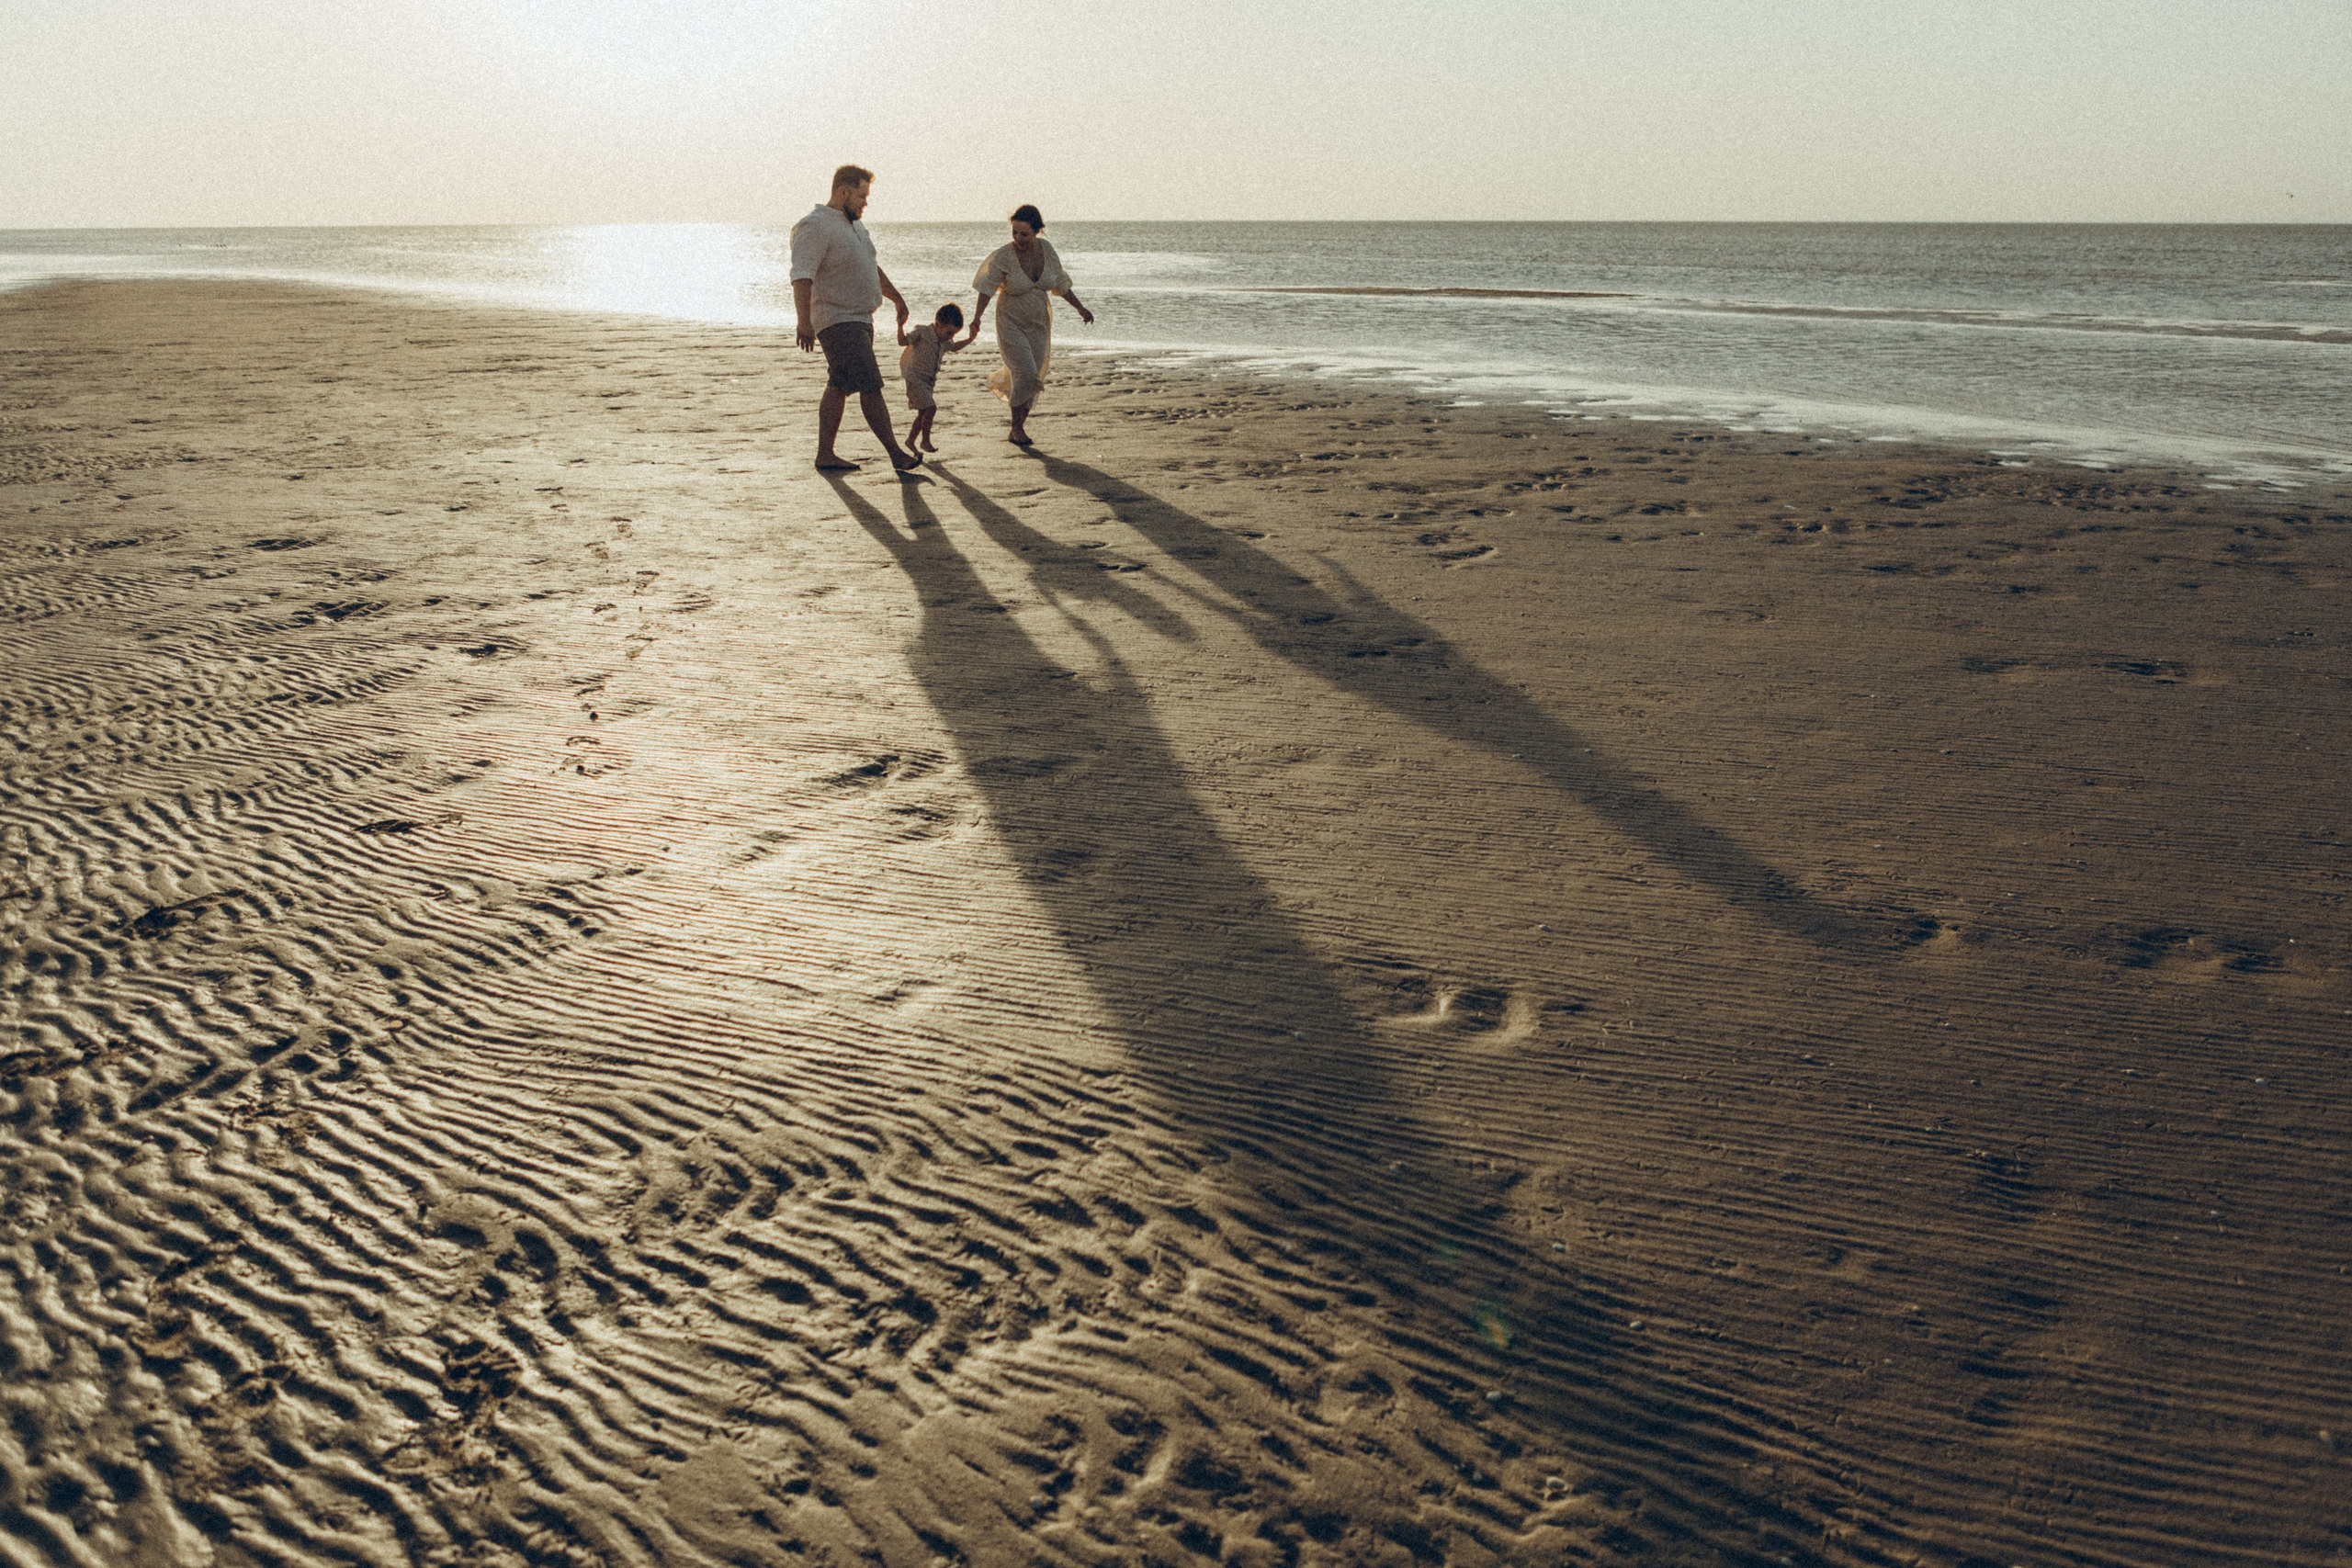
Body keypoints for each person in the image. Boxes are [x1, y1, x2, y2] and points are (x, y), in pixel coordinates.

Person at [790, 164, 922, 473]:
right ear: (843, 192)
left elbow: (870, 268)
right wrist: (803, 321)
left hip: (861, 318)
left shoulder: (856, 227)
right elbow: (801, 276)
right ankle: (896, 454)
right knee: (870, 384)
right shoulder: (815, 225)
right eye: (862, 195)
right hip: (836, 318)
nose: (866, 202)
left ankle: (825, 454)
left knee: (839, 384)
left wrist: (896, 298)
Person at [968, 205, 1095, 447]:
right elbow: (987, 288)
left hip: (1038, 322)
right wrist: (976, 319)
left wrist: (1080, 308)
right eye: (1014, 232)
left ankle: (1018, 428)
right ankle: (1016, 429)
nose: (1018, 238)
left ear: (1037, 231)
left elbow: (1060, 284)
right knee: (1024, 372)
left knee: (1034, 376)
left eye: (1024, 234)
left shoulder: (1047, 250)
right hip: (1010, 321)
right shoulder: (1004, 256)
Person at [898, 303, 976, 454]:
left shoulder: (945, 341)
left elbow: (955, 347)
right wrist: (900, 325)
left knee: (923, 414)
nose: (951, 337)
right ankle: (925, 441)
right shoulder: (922, 332)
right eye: (949, 332)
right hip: (914, 379)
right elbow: (902, 341)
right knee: (931, 409)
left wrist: (970, 339)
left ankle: (910, 441)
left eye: (954, 334)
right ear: (938, 324)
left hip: (928, 383)